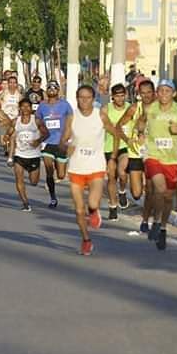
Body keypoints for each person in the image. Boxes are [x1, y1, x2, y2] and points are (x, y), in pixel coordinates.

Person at [137, 79, 177, 250]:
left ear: (174, 93)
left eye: (167, 91)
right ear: (157, 92)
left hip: (172, 160)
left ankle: (162, 227)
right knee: (159, 188)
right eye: (161, 90)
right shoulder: (150, 108)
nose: (164, 94)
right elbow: (141, 122)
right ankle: (156, 222)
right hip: (153, 156)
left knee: (168, 197)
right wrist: (141, 132)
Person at [60, 85, 117, 256]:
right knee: (78, 210)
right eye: (81, 97)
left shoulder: (100, 115)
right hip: (77, 167)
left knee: (92, 203)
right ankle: (86, 240)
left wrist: (112, 157)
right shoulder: (72, 117)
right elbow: (63, 140)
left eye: (88, 97)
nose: (84, 101)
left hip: (96, 166)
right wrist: (66, 147)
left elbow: (114, 133)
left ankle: (94, 211)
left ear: (94, 99)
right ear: (77, 99)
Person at [116, 78, 157, 232]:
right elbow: (119, 126)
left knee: (151, 187)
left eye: (149, 92)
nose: (146, 95)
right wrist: (127, 140)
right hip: (135, 153)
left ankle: (146, 220)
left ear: (154, 93)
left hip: (152, 153)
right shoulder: (134, 108)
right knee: (137, 193)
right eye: (143, 93)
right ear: (139, 94)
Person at [35, 80, 73, 208]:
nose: (52, 89)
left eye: (54, 87)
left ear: (58, 90)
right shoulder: (42, 106)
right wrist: (40, 131)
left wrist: (67, 138)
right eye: (49, 87)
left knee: (61, 175)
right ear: (46, 90)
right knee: (49, 170)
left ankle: (59, 167)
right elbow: (37, 120)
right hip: (48, 143)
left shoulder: (65, 105)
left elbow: (70, 121)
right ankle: (52, 198)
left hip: (61, 142)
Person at [9, 98, 49, 211]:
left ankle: (32, 177)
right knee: (19, 179)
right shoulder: (15, 121)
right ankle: (25, 203)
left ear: (31, 108)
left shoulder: (36, 121)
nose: (25, 109)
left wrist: (38, 141)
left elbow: (46, 133)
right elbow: (9, 132)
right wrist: (7, 137)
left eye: (28, 106)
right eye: (23, 106)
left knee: (34, 182)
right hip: (19, 154)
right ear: (20, 108)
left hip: (33, 155)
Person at [101, 83, 131, 221]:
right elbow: (103, 126)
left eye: (122, 95)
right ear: (112, 97)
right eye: (117, 96)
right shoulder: (106, 109)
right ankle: (113, 206)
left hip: (125, 146)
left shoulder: (130, 108)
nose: (120, 99)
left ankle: (122, 191)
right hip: (109, 147)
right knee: (111, 177)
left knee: (122, 172)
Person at [0, 74, 22, 163]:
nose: (12, 84)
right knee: (2, 140)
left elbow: (22, 107)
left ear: (16, 84)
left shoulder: (19, 95)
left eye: (14, 83)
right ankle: (6, 148)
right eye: (10, 82)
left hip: (14, 119)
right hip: (4, 119)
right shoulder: (3, 93)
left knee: (13, 137)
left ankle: (11, 155)